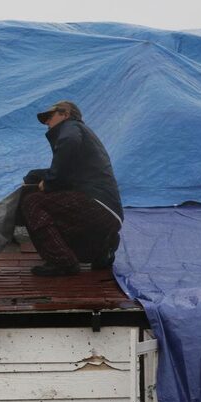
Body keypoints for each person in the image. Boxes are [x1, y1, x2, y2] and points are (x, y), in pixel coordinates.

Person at [21, 101, 123, 276]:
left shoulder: (70, 128)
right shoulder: (85, 135)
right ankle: (102, 249)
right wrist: (35, 177)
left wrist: (50, 182)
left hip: (94, 203)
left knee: (32, 203)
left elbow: (69, 145)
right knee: (54, 202)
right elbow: (72, 172)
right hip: (111, 214)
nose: (46, 123)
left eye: (49, 116)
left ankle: (63, 263)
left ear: (65, 114)